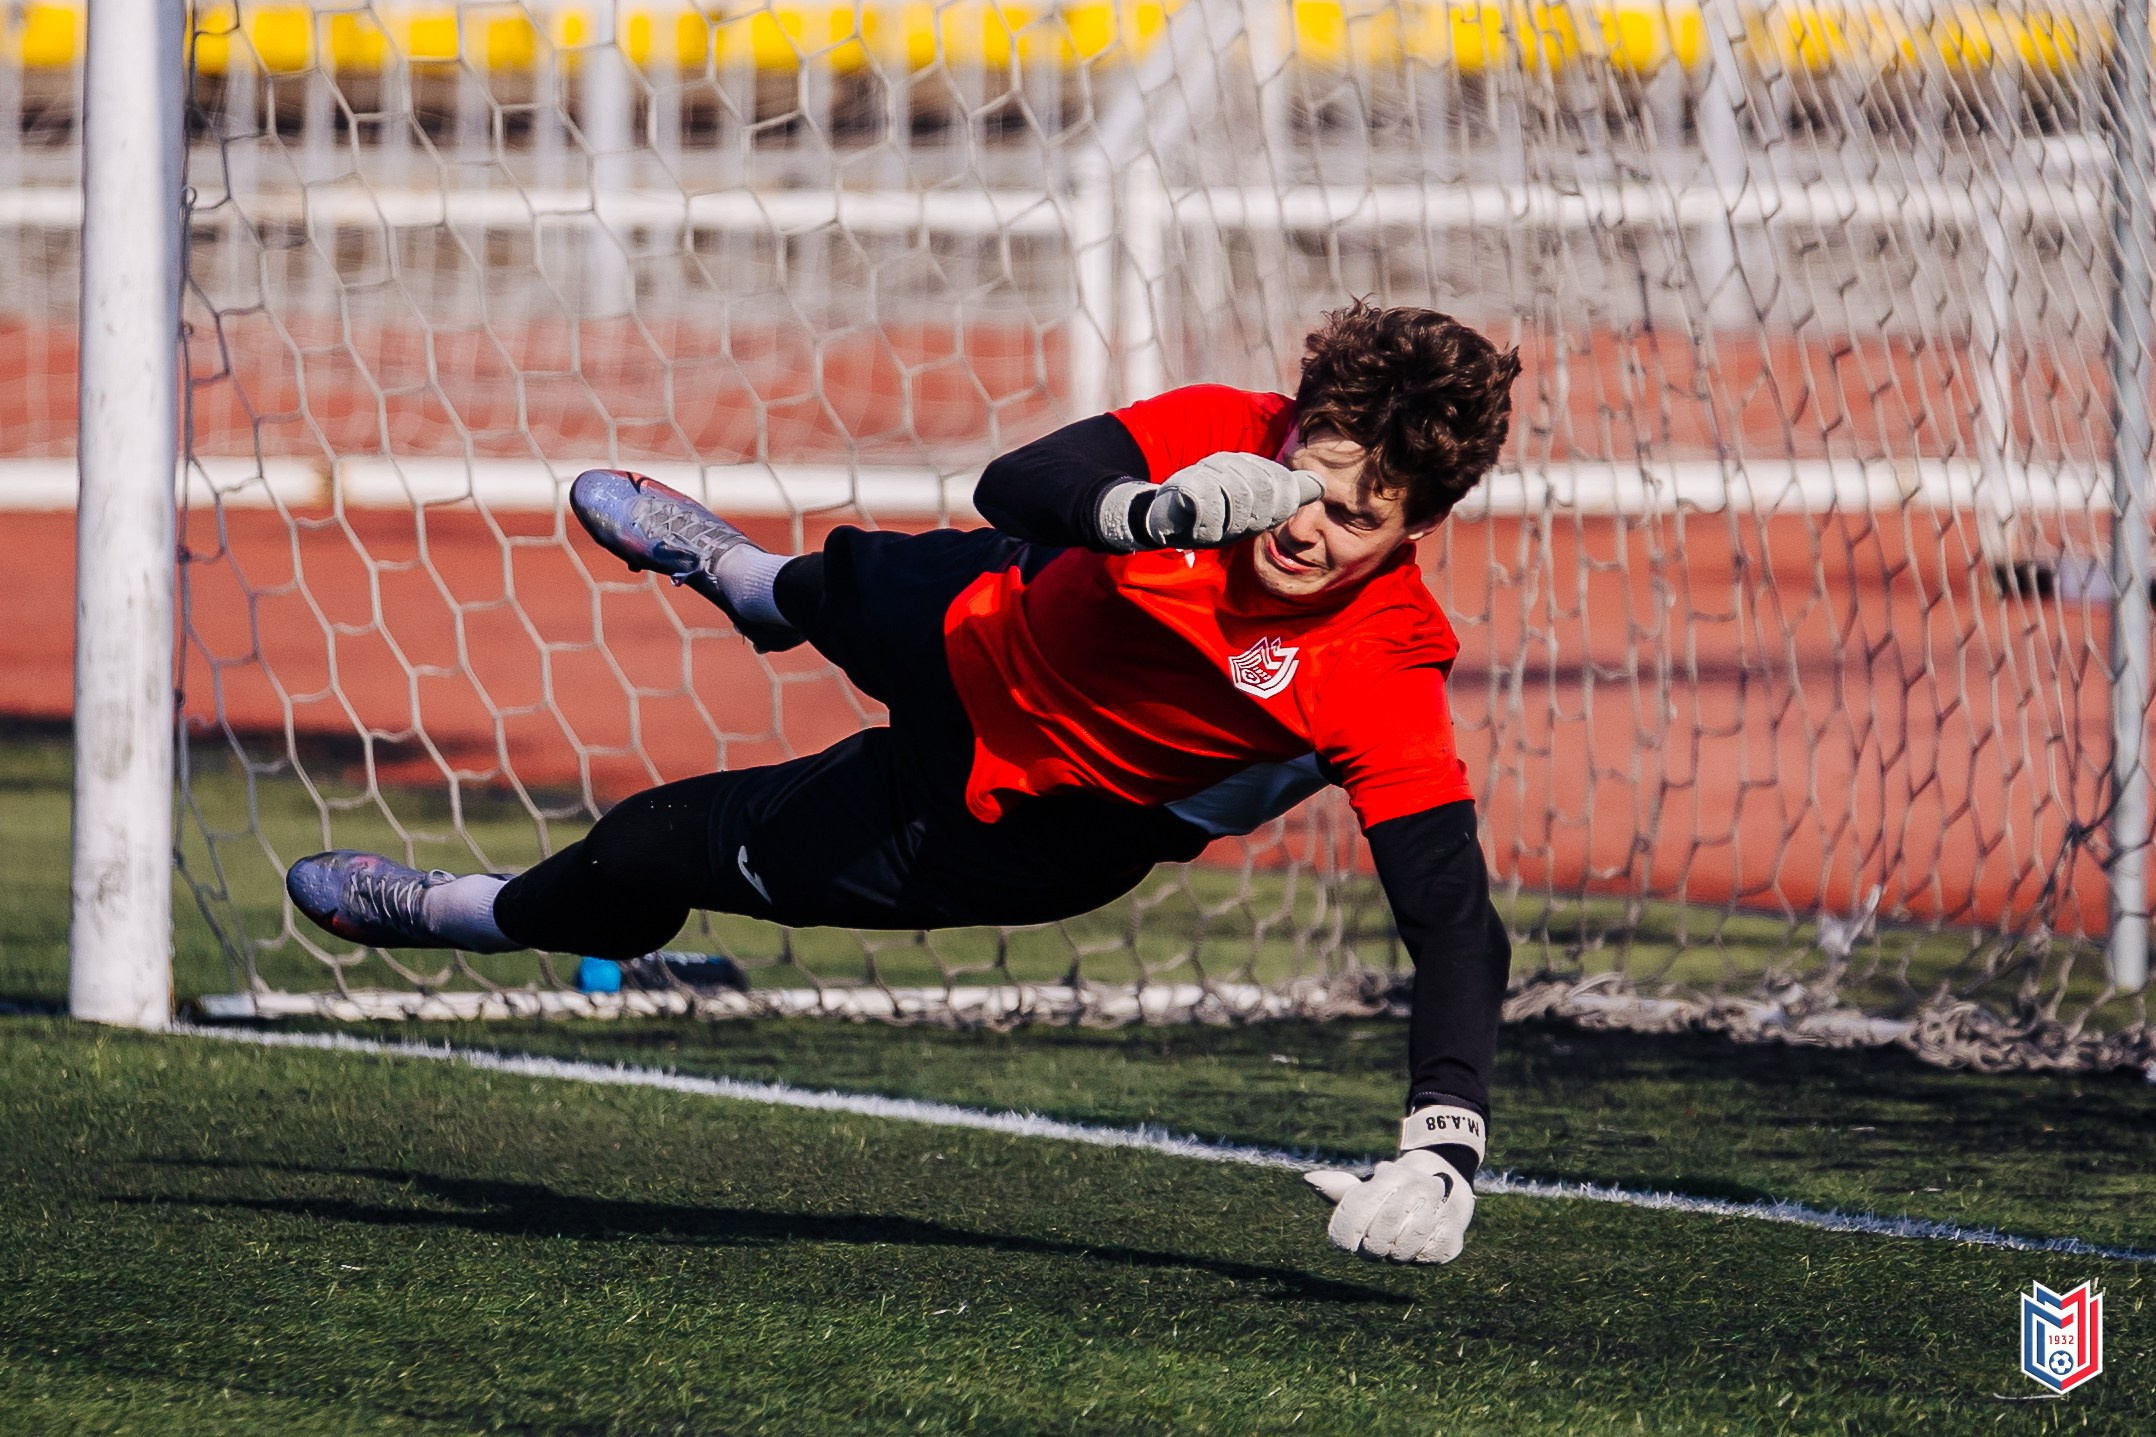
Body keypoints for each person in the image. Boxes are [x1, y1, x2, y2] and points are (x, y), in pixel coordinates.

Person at [288, 300, 1521, 1265]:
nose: (1308, 528)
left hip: (1016, 818)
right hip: (980, 625)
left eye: (1357, 520)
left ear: (1411, 533)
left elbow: (1448, 916)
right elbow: (1015, 484)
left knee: (647, 852)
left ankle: (461, 911)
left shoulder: (1381, 666)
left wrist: (1443, 1143)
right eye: (1309, 479)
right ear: (1287, 429)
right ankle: (746, 579)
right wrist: (1147, 513)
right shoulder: (1223, 425)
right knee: (840, 587)